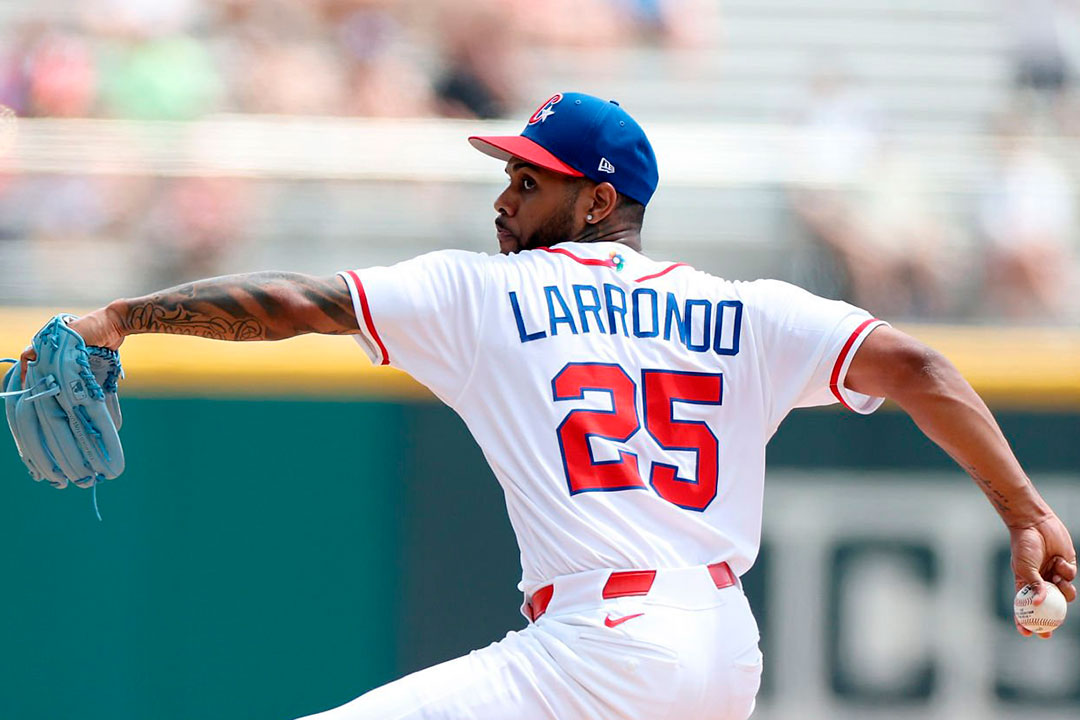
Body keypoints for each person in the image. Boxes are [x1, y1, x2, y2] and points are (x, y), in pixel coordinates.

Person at [20, 92, 1077, 719]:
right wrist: (1025, 511)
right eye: (511, 176)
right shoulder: (748, 310)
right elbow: (922, 369)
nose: (504, 198)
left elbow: (298, 303)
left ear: (598, 200)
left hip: (605, 644)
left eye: (531, 181)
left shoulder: (486, 293)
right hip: (720, 650)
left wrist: (122, 316)